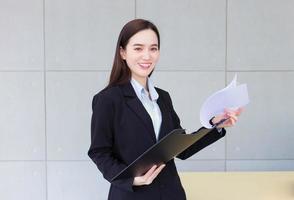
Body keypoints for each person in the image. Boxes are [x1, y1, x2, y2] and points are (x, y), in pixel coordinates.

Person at [88, 19, 242, 200]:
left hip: (171, 194)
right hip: (132, 196)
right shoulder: (108, 100)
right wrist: (131, 179)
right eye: (138, 48)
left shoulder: (163, 97)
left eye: (153, 48)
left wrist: (215, 124)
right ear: (122, 52)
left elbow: (181, 148)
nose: (147, 56)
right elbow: (99, 152)